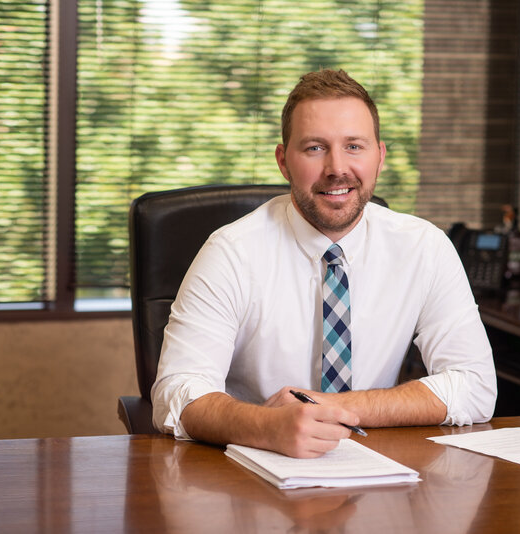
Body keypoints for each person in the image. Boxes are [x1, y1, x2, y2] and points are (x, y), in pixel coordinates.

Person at [151, 69, 497, 458]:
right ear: (284, 161)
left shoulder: (424, 247)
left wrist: (337, 409)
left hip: (374, 469)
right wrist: (267, 426)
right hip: (253, 472)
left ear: (379, 157)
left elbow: (475, 385)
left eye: (354, 146)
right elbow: (176, 394)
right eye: (315, 148)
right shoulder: (231, 252)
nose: (337, 167)